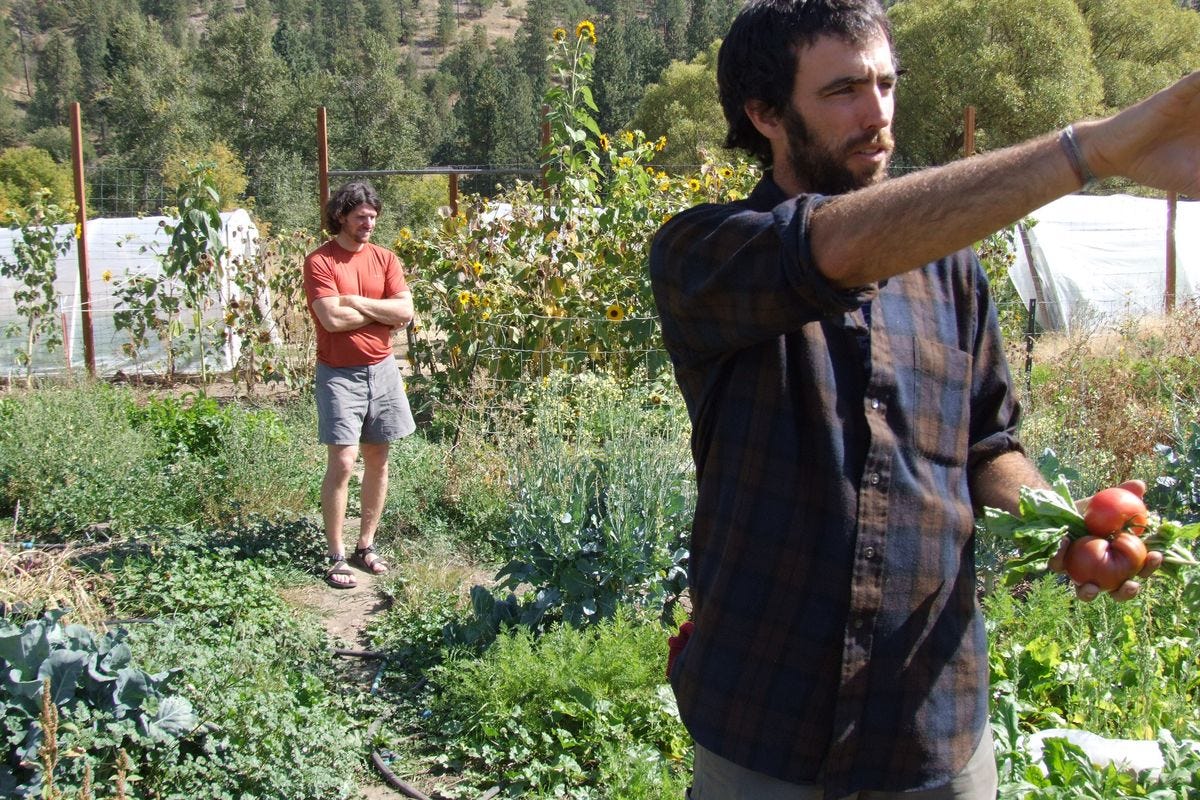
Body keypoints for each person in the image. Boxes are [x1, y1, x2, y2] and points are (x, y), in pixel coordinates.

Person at [649, 1, 1195, 797]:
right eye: (842, 91)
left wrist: (1065, 521)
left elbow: (988, 446)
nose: (877, 114)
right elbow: (829, 247)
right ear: (764, 113)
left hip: (932, 720)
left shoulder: (953, 271)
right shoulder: (705, 252)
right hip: (766, 711)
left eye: (885, 83)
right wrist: (1091, 150)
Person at [304, 181, 416, 590]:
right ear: (341, 217)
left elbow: (405, 310)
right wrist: (381, 314)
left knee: (378, 459)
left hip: (382, 370)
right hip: (339, 374)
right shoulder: (321, 261)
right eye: (360, 217)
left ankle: (365, 545)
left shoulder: (385, 259)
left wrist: (354, 302)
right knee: (344, 462)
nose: (368, 223)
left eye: (372, 217)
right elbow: (331, 320)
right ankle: (335, 555)